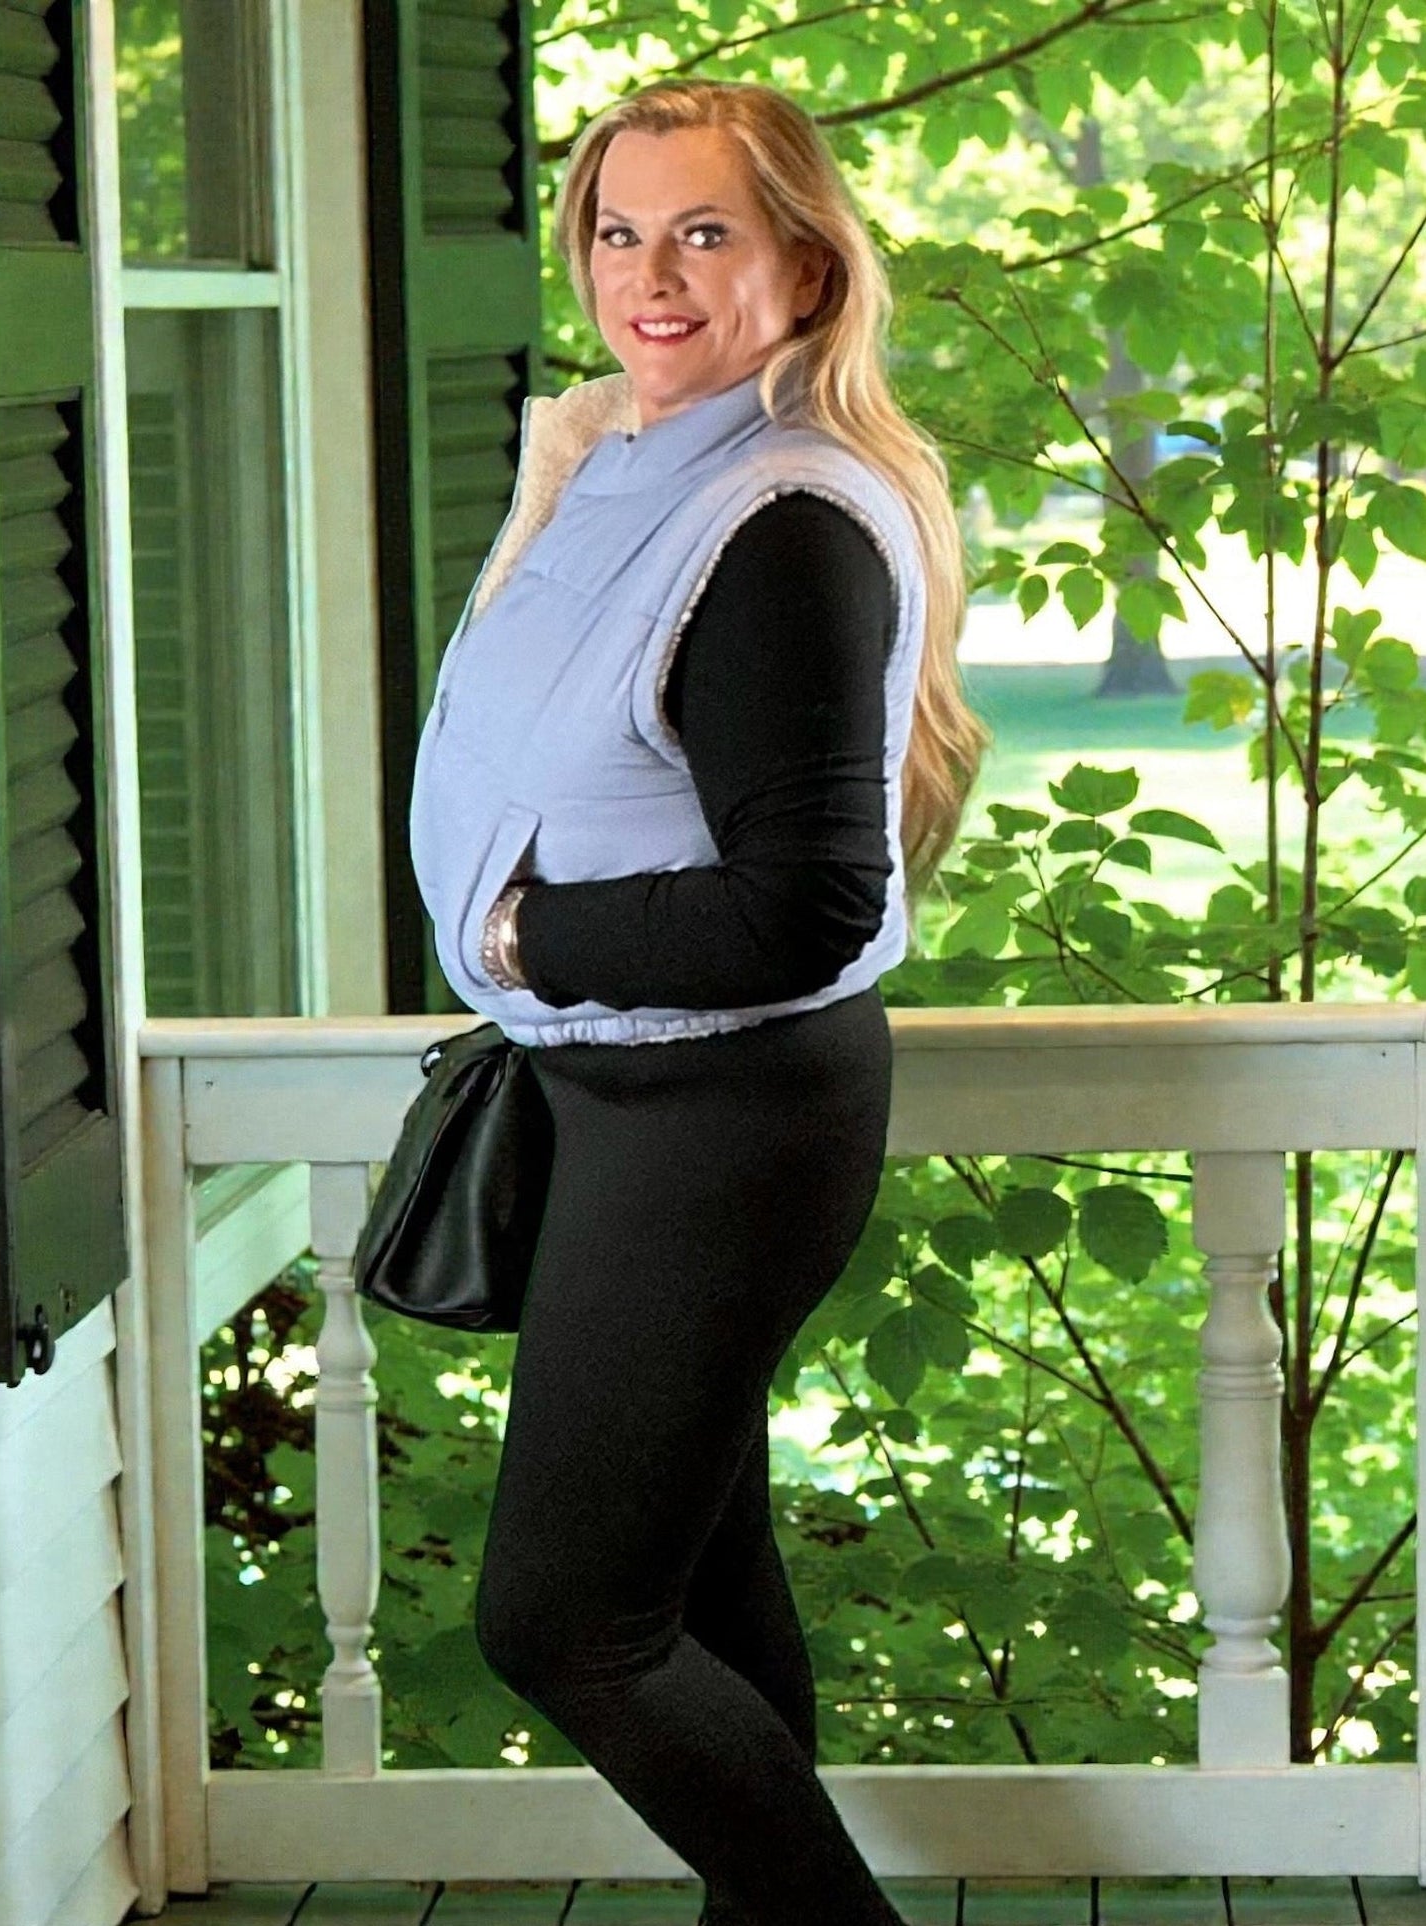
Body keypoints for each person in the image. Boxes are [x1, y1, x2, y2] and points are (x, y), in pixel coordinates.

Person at [409, 75, 987, 1926]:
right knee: (703, 1592)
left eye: (704, 232)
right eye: (617, 231)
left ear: (805, 268)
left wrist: (520, 942)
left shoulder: (780, 516)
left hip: (717, 1117)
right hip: (624, 1097)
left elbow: (804, 904)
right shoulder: (632, 457)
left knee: (566, 1619)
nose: (647, 275)